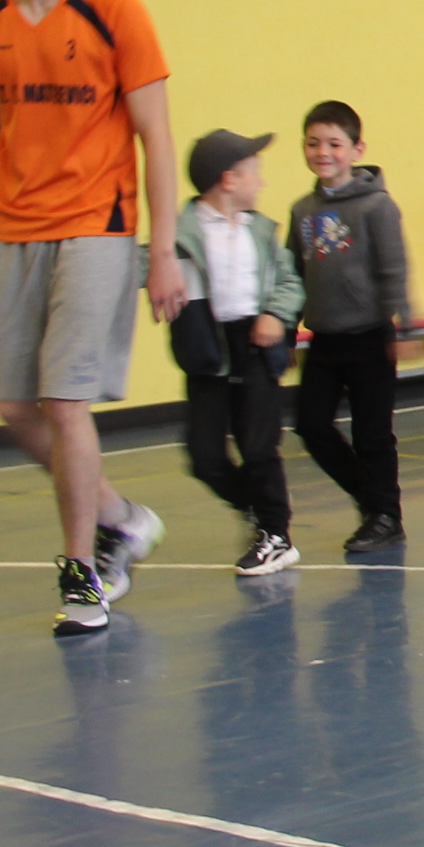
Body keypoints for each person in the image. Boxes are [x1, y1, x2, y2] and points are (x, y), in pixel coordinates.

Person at [0, 0, 184, 635]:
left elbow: (156, 137)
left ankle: (82, 572)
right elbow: (5, 121)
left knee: (63, 401)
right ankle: (119, 517)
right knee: (15, 408)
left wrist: (161, 252)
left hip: (99, 224)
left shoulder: (116, 12)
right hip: (16, 227)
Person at [171, 128, 301, 579]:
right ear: (228, 180)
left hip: (255, 345)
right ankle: (256, 506)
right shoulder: (181, 234)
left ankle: (276, 535)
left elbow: (289, 281)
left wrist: (276, 315)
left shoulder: (260, 231)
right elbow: (148, 268)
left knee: (259, 446)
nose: (260, 182)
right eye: (253, 173)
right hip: (207, 349)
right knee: (204, 455)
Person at [288, 100, 416, 555]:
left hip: (370, 338)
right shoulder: (302, 210)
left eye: (334, 144)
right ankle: (371, 498)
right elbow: (292, 276)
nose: (323, 152)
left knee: (372, 433)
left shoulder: (376, 207)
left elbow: (395, 269)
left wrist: (407, 328)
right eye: (313, 143)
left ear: (356, 150)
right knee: (310, 425)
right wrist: (285, 332)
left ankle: (385, 517)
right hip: (324, 339)